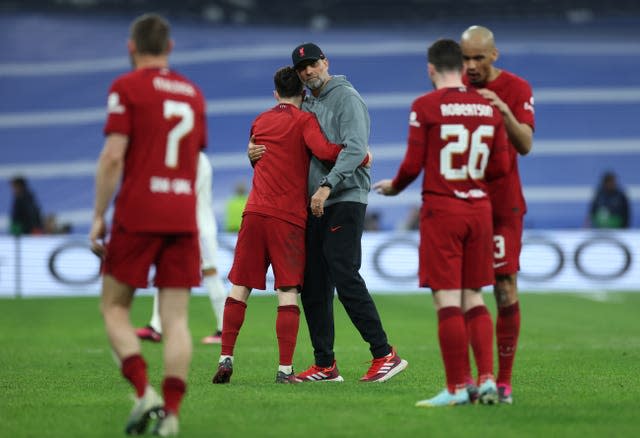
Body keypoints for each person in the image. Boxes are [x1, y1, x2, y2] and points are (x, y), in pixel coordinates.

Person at [252, 42, 407, 382]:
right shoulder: (307, 102)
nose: (308, 71)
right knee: (315, 284)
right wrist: (255, 149)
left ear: (326, 62)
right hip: (315, 204)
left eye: (313, 64)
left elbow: (355, 149)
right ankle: (325, 365)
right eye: (302, 68)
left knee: (343, 272)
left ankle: (385, 354)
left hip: (344, 198)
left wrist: (327, 185)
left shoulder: (346, 98)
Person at [374, 38, 509, 407]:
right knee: (475, 296)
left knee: (447, 299)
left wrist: (394, 187)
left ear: (431, 69)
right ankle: (485, 380)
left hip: (443, 210)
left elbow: (413, 163)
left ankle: (455, 388)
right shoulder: (488, 106)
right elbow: (499, 167)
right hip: (479, 210)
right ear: (464, 69)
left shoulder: (425, 106)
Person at [212, 66, 368, 385]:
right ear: (303, 93)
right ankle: (285, 369)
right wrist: (359, 155)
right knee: (287, 290)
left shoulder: (260, 120)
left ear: (275, 94)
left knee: (239, 285)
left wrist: (251, 154)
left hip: (253, 212)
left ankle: (225, 356)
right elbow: (325, 152)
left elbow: (257, 155)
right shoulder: (303, 120)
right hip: (287, 218)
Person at [89, 13, 206, 436]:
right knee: (176, 320)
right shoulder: (193, 94)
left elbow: (113, 156)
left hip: (139, 212)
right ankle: (172, 416)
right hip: (181, 214)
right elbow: (193, 158)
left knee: (114, 307)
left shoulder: (126, 87)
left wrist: (99, 215)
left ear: (131, 47)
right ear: (170, 48)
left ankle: (144, 393)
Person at [460, 25, 535, 404]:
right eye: (465, 58)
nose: (470, 65)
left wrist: (502, 110)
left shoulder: (517, 89)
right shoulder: (454, 89)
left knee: (504, 289)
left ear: (494, 55)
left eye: (477, 57)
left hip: (503, 204)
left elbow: (525, 145)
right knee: (466, 292)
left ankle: (503, 383)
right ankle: (476, 379)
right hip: (464, 203)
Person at [136, 152, 229, 345]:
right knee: (169, 272)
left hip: (196, 227)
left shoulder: (194, 158)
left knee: (209, 273)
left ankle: (224, 329)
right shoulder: (193, 157)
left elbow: (184, 192)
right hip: (192, 225)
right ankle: (156, 326)